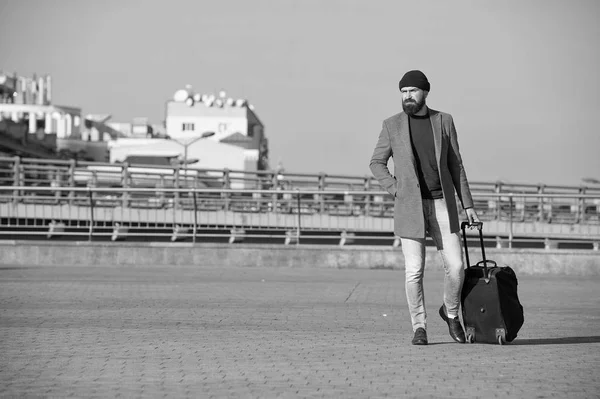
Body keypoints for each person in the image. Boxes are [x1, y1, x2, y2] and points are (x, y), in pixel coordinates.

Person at [369, 70, 480, 345]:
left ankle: (451, 313)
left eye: (412, 91)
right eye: (403, 91)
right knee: (414, 271)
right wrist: (396, 189)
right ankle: (419, 327)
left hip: (443, 204)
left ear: (425, 92)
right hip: (410, 207)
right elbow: (376, 163)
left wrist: (468, 205)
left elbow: (456, 165)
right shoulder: (391, 125)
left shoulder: (443, 121)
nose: (407, 96)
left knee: (456, 267)